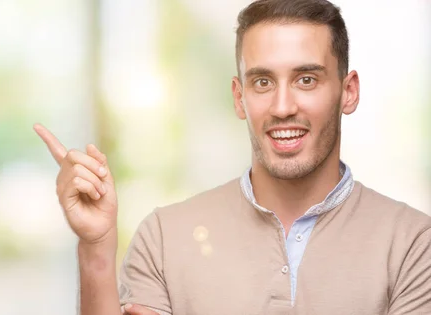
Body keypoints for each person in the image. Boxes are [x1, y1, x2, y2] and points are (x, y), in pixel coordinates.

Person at [34, 0, 431, 314]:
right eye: (262, 81)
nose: (282, 106)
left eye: (306, 79)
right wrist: (97, 247)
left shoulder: (415, 244)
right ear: (240, 98)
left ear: (348, 92)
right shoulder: (163, 239)